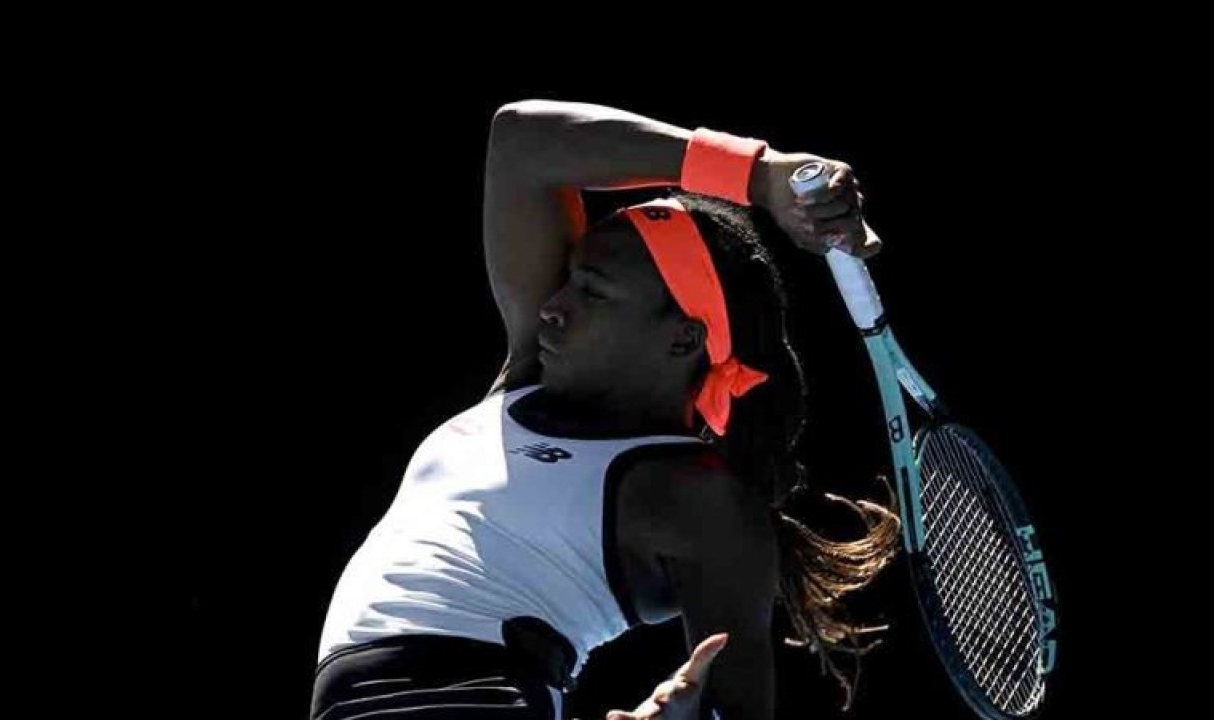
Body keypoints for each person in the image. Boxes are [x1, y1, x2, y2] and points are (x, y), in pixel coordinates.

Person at [309, 100, 901, 720]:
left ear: (682, 339)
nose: (552, 305)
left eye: (591, 290)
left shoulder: (700, 499)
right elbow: (521, 141)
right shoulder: (527, 376)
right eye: (570, 279)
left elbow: (734, 708)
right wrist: (756, 174)